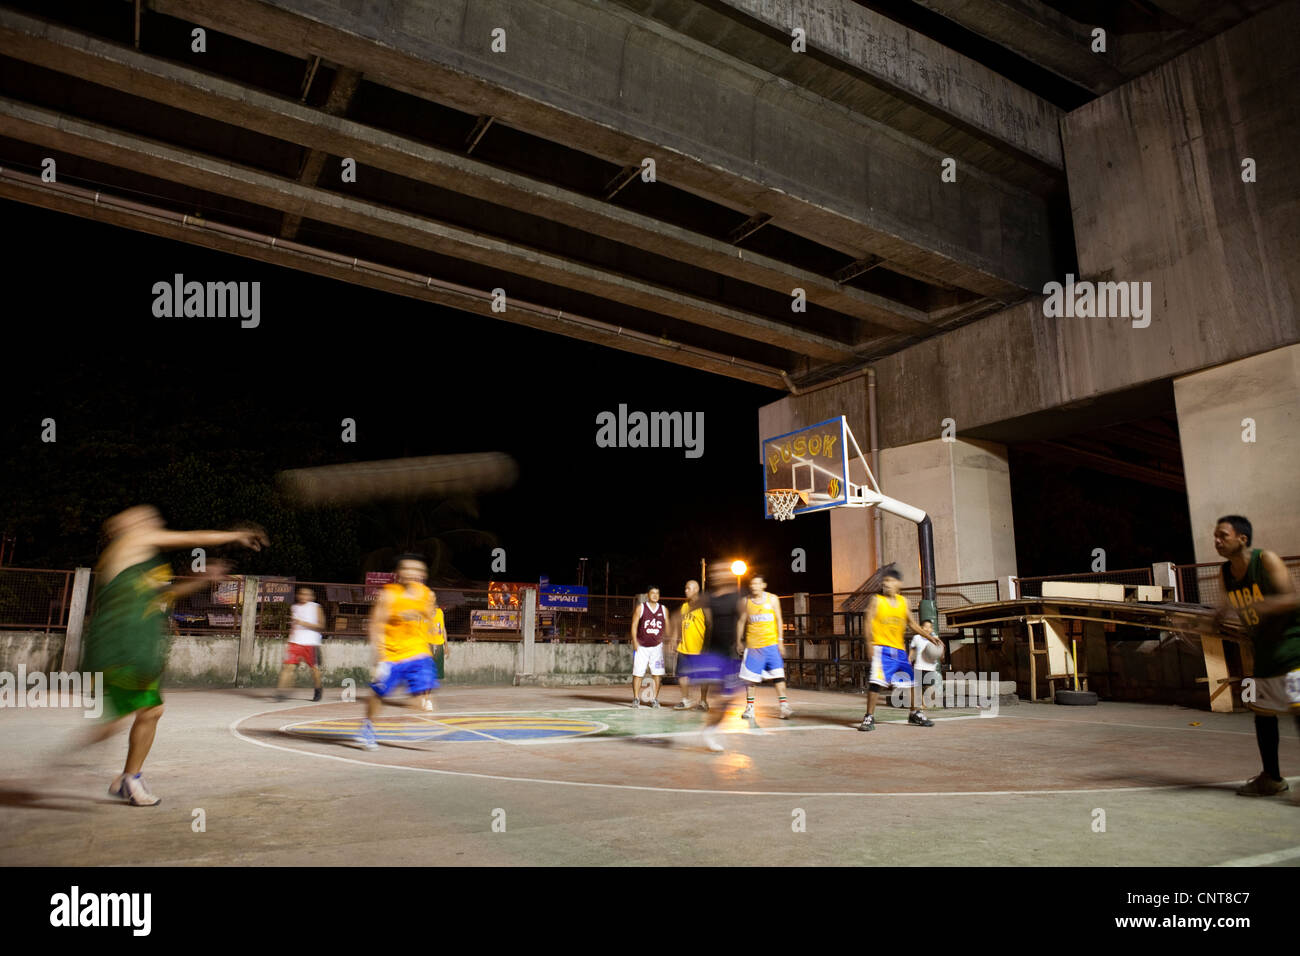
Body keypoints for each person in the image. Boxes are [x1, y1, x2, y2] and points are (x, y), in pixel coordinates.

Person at [81, 505, 267, 805]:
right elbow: (188, 537)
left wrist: (203, 580)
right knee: (120, 721)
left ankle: (127, 778)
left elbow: (163, 596)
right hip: (120, 649)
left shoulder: (139, 562)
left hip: (135, 649)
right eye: (140, 516)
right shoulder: (130, 542)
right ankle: (101, 774)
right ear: (122, 526)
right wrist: (235, 534)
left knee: (147, 712)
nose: (149, 519)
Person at [1212, 516, 1300, 797]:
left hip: (1292, 648)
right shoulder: (1225, 573)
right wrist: (1207, 621)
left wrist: (1260, 605)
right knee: (1262, 716)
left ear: (1242, 539)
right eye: (1215, 536)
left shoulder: (1266, 560)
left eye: (1223, 535)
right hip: (1262, 652)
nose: (1217, 541)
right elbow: (1223, 611)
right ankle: (1271, 778)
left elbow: (1291, 599)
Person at [355, 556, 440, 750]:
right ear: (399, 574)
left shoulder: (426, 594)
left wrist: (430, 634)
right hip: (392, 655)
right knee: (378, 694)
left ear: (423, 575)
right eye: (407, 569)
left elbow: (430, 618)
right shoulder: (389, 595)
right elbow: (376, 625)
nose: (412, 573)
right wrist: (379, 657)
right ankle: (368, 727)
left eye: (416, 569)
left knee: (424, 691)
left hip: (418, 652)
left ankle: (415, 725)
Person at [857, 566, 933, 731]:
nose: (887, 585)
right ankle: (869, 717)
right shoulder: (877, 600)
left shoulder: (904, 602)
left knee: (912, 683)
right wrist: (869, 644)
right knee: (876, 683)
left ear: (899, 583)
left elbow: (912, 624)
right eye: (885, 582)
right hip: (881, 649)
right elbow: (868, 622)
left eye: (890, 581)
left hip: (899, 650)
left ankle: (915, 713)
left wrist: (930, 637)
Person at [695, 562, 746, 752]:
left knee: (727, 699)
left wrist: (740, 640)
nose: (718, 575)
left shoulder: (737, 596)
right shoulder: (709, 598)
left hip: (729, 654)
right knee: (720, 697)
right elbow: (689, 610)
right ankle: (709, 730)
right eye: (715, 572)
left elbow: (742, 617)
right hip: (712, 653)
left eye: (722, 571)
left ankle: (710, 728)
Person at [737, 575, 793, 722]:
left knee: (778, 676)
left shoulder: (773, 599)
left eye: (757, 583)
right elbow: (741, 622)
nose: (754, 586)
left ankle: (784, 706)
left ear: (763, 585)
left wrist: (780, 641)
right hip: (754, 646)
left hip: (771, 645)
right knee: (750, 680)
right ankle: (750, 708)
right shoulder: (746, 601)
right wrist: (738, 641)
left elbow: (779, 619)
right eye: (752, 584)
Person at [277, 587, 324, 701]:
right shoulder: (294, 607)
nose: (304, 596)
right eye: (301, 594)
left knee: (314, 669)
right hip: (295, 642)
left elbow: (321, 626)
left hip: (310, 642)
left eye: (307, 594)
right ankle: (281, 692)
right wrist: (290, 638)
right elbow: (293, 626)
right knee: (288, 667)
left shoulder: (316, 607)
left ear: (311, 597)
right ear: (298, 595)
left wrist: (303, 623)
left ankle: (318, 689)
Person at [630, 586, 667, 708]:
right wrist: (635, 641)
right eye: (653, 593)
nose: (655, 595)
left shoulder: (663, 609)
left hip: (657, 647)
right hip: (642, 646)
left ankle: (654, 699)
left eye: (657, 593)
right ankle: (636, 698)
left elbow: (668, 627)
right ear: (648, 595)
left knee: (657, 674)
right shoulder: (641, 608)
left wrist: (667, 641)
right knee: (638, 673)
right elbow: (634, 625)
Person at [673, 579, 708, 710]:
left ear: (696, 589)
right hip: (684, 647)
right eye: (685, 588)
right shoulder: (684, 606)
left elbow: (710, 625)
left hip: (700, 648)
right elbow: (680, 623)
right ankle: (685, 699)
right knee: (681, 675)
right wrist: (675, 638)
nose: (685, 590)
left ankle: (703, 701)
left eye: (688, 588)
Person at [422, 590, 450, 711]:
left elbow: (443, 628)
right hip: (426, 645)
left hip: (438, 646)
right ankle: (427, 699)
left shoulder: (439, 612)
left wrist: (446, 645)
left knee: (433, 675)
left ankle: (425, 696)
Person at [909, 619, 944, 712]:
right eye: (926, 627)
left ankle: (927, 701)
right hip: (919, 666)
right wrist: (909, 658)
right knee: (918, 686)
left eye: (930, 627)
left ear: (932, 629)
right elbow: (913, 649)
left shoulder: (934, 638)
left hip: (930, 667)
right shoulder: (916, 638)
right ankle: (922, 704)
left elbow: (941, 647)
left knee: (928, 686)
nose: (928, 629)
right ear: (921, 628)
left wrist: (941, 654)